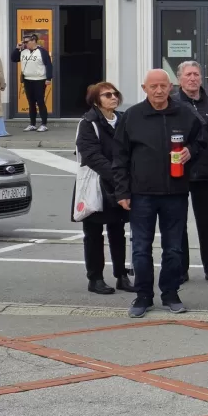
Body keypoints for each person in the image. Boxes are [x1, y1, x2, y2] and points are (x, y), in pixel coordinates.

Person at [114, 69, 205, 318]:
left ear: (171, 87)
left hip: (175, 192)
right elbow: (119, 157)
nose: (158, 91)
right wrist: (122, 191)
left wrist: (190, 151)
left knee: (174, 248)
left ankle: (170, 293)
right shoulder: (132, 116)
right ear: (144, 88)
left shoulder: (185, 113)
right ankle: (143, 295)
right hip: (141, 193)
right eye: (153, 86)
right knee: (141, 249)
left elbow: (202, 141)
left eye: (163, 86)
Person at [75, 82, 134, 295]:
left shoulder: (122, 119)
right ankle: (95, 278)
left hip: (119, 183)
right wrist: (118, 175)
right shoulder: (88, 123)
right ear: (96, 100)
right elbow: (91, 156)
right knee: (93, 233)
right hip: (97, 185)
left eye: (115, 93)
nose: (113, 97)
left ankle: (121, 276)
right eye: (107, 95)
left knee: (118, 230)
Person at [176, 61, 208, 285]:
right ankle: (181, 268)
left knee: (207, 222)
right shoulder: (172, 103)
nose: (193, 78)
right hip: (177, 172)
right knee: (178, 222)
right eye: (188, 75)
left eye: (196, 74)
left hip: (205, 172)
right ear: (180, 80)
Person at [11, 33, 52, 132]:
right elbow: (14, 59)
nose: (24, 43)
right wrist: (17, 48)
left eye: (26, 42)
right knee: (31, 103)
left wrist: (48, 78)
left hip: (39, 80)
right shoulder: (23, 51)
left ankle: (44, 124)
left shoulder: (42, 52)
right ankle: (32, 124)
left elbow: (49, 65)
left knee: (40, 102)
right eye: (23, 42)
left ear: (34, 41)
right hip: (27, 80)